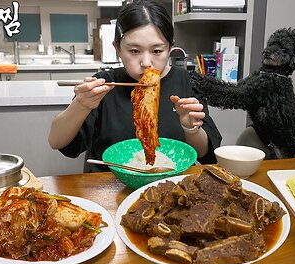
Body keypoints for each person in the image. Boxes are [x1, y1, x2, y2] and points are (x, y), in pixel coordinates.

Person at [48, 0, 222, 172]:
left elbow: (205, 155)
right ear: (117, 49)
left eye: (157, 51)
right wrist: (81, 105)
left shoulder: (187, 81)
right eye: (134, 51)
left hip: (169, 187)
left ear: (170, 49)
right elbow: (57, 142)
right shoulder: (104, 84)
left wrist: (190, 129)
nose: (146, 62)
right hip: (108, 188)